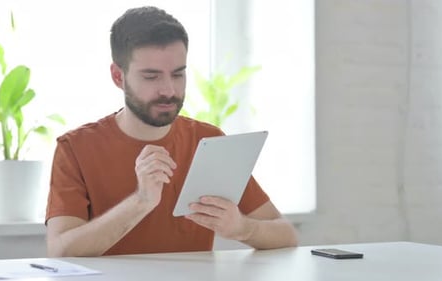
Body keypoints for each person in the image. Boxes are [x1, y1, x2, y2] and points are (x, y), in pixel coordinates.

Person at [45, 6, 298, 257]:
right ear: (118, 76)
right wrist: (141, 201)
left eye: (178, 74)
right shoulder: (76, 148)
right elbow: (61, 251)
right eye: (151, 77)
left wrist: (242, 228)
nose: (168, 90)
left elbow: (285, 235)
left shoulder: (208, 141)